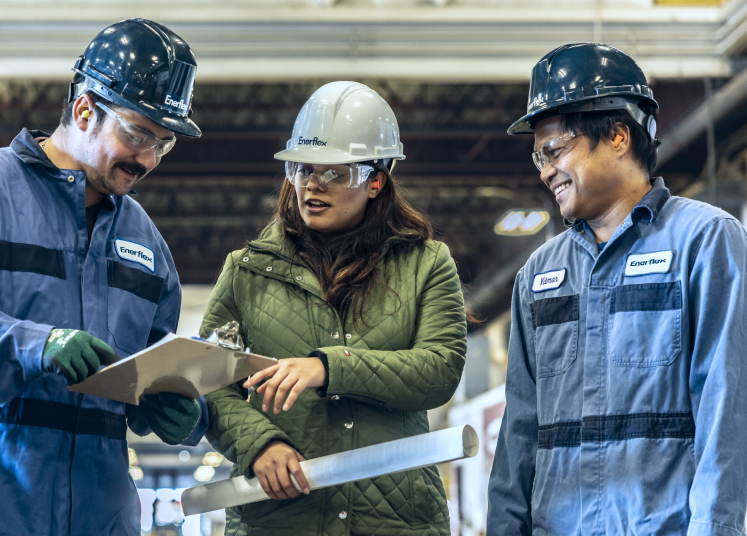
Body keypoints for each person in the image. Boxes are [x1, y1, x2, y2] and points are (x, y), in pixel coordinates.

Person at [0, 19, 208, 536]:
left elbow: (152, 368)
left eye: (163, 144)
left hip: (101, 518)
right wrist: (35, 343)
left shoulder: (148, 245)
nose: (147, 159)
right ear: (84, 109)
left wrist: (181, 410)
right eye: (138, 134)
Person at [487, 43, 747, 536]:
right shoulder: (538, 274)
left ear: (618, 136)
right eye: (537, 157)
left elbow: (727, 407)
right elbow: (520, 431)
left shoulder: (705, 241)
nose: (544, 170)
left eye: (555, 150)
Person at [200, 81, 468, 536]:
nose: (312, 185)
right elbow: (208, 382)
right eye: (302, 169)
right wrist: (260, 445)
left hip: (395, 521)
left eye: (335, 173)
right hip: (280, 520)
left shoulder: (427, 264)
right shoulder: (245, 272)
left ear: (376, 180)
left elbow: (439, 371)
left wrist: (330, 368)